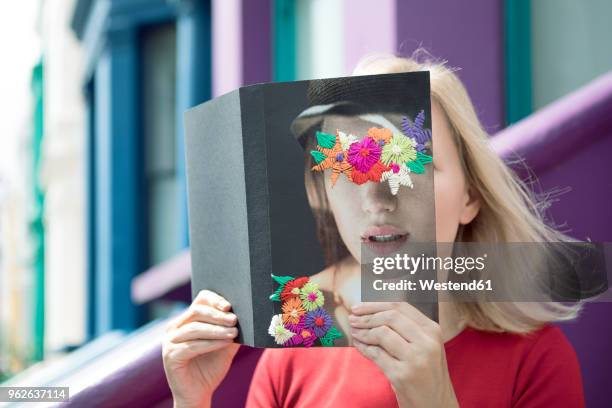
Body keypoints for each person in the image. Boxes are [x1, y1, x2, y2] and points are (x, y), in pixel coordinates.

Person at [162, 53, 585, 407]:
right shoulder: (292, 352)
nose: (377, 198)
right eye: (347, 169)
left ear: (470, 197)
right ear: (319, 192)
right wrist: (192, 401)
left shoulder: (536, 359)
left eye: (410, 166)